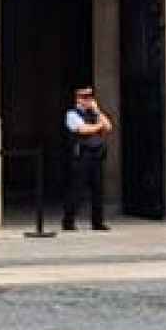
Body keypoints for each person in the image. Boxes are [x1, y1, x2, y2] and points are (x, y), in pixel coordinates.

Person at [63, 87, 112, 231]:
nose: (88, 100)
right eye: (84, 98)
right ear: (78, 99)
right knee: (76, 189)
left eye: (89, 98)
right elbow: (82, 129)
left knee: (98, 190)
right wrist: (98, 126)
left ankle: (97, 222)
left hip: (96, 156)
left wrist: (97, 111)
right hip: (81, 156)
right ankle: (68, 221)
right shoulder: (71, 114)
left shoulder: (94, 113)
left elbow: (108, 126)